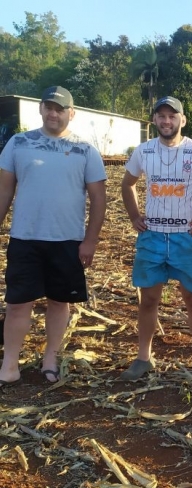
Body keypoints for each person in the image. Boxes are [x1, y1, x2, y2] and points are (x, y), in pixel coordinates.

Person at [0, 86, 107, 387]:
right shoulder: (18, 144)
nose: (53, 113)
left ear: (71, 113)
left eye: (60, 109)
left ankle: (50, 358)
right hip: (25, 238)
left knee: (59, 302)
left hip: (67, 241)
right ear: (41, 109)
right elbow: (4, 190)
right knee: (18, 303)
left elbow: (99, 199)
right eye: (48, 107)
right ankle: (10, 364)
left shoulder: (86, 150)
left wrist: (90, 240)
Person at [120, 96, 192, 381]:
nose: (166, 121)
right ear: (155, 120)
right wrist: (135, 216)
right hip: (152, 237)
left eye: (172, 116)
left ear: (182, 120)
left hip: (185, 238)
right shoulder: (143, 151)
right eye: (161, 116)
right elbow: (128, 183)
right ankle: (143, 357)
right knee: (149, 299)